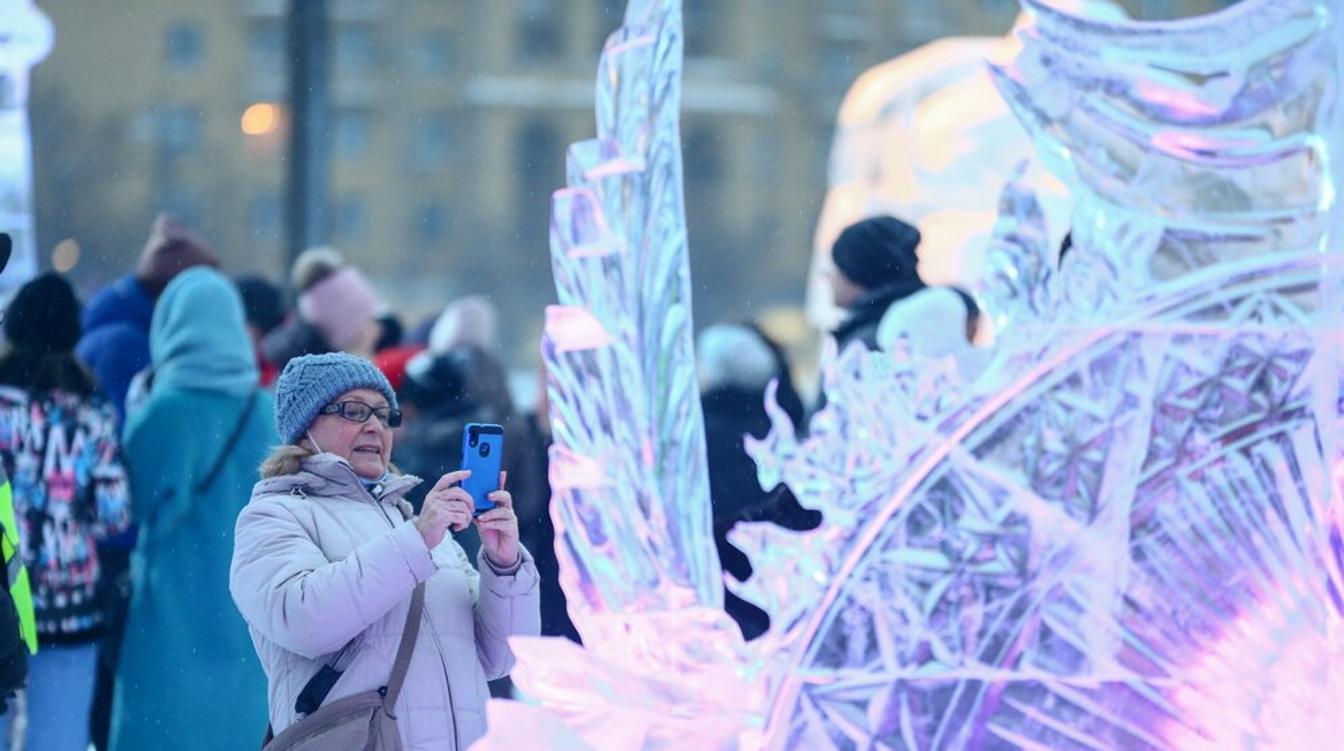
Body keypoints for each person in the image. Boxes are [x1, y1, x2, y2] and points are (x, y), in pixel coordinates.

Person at [230, 353, 540, 750]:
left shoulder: (412, 522)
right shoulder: (273, 515)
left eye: (384, 414)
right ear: (305, 425)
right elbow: (304, 620)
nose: (375, 425)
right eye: (354, 411)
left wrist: (504, 565)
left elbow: (501, 657)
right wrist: (415, 541)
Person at [109, 269, 273, 750]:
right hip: (247, 617)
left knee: (162, 729)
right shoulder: (266, 411)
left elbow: (127, 508)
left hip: (171, 613)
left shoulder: (165, 412)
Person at [0, 273, 131, 750]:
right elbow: (114, 515)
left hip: (1, 597)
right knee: (58, 738)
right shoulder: (91, 414)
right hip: (69, 603)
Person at [76, 213, 218, 425]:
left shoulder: (125, 329)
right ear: (173, 295)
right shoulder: (125, 347)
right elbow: (138, 436)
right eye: (200, 301)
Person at [260, 247, 383, 371]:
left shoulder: (302, 362)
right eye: (368, 320)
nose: (378, 330)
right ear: (346, 331)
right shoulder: (325, 379)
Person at [828, 215, 926, 351]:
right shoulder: (917, 326)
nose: (830, 278)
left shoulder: (872, 343)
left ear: (857, 274)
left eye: (837, 268)